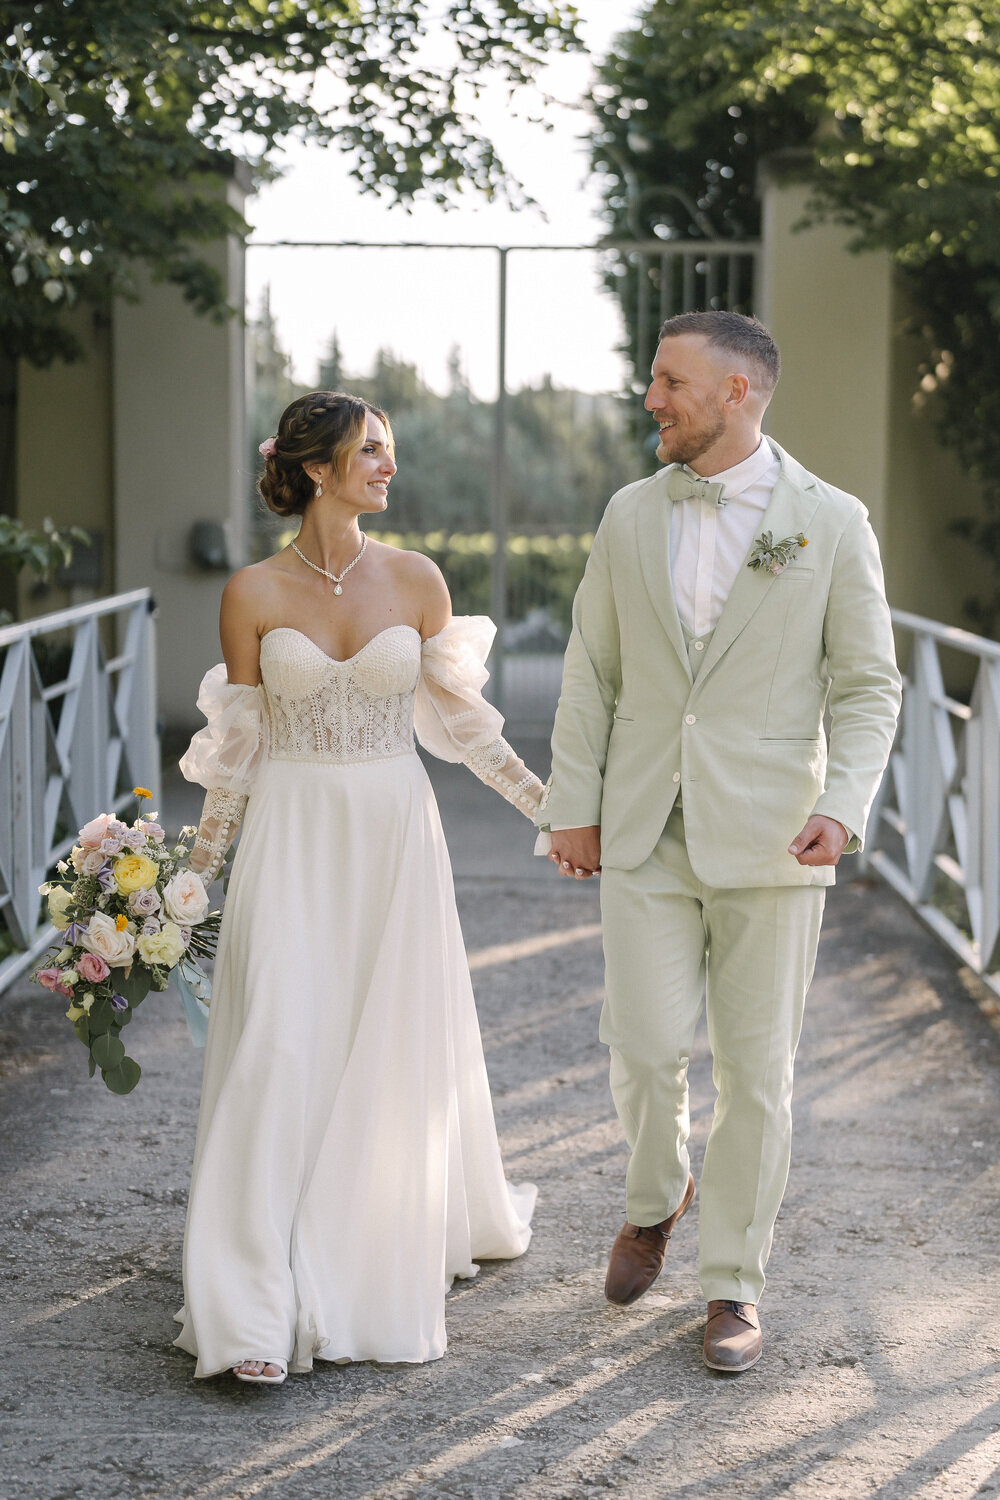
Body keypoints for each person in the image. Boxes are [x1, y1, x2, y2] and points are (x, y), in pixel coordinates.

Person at [537, 311, 901, 1373]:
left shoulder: (829, 522)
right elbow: (588, 670)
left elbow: (869, 684)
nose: (651, 398)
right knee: (644, 1045)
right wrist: (573, 801)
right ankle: (657, 1198)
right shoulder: (626, 514)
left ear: (739, 391)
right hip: (644, 824)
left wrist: (847, 801)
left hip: (778, 836)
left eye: (670, 381)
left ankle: (732, 1284)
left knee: (758, 1074)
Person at [174, 391, 542, 1384]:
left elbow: (466, 726)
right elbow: (237, 753)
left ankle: (359, 1256)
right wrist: (191, 886)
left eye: (389, 449)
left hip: (391, 836)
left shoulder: (418, 580)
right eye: (371, 451)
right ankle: (248, 1308)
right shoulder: (251, 592)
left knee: (377, 1052)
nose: (388, 466)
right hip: (293, 836)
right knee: (275, 1047)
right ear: (315, 467)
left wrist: (550, 812)